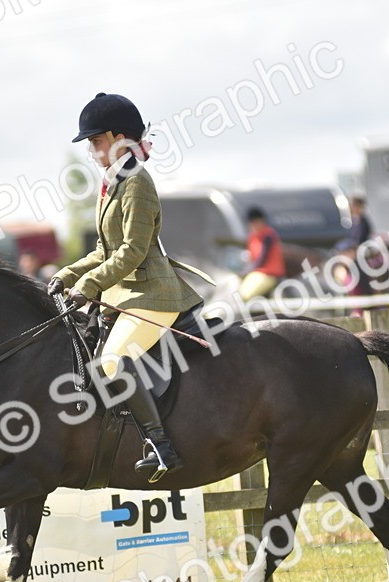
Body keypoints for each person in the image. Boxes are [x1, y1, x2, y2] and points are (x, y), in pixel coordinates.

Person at [48, 92, 212, 481]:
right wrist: (66, 275)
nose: (91, 151)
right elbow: (103, 250)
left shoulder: (136, 182)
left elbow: (133, 252)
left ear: (119, 138)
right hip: (125, 294)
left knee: (112, 361)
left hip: (152, 294)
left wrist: (88, 285)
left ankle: (161, 446)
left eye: (95, 141)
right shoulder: (113, 183)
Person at [238, 206, 285, 301]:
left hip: (269, 274)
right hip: (256, 273)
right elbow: (251, 258)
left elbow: (261, 259)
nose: (254, 225)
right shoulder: (252, 238)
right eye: (252, 222)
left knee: (245, 295)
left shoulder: (268, 235)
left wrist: (246, 271)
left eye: (256, 222)